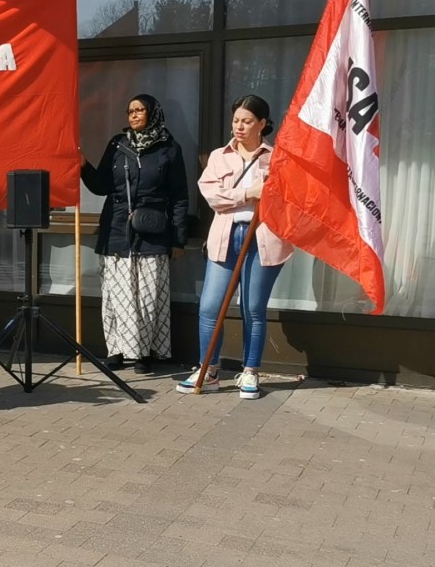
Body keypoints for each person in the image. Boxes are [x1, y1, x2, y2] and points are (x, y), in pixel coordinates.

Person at [176, 94, 293, 399]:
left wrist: (267, 193)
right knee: (210, 306)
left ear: (262, 124)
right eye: (236, 120)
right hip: (226, 237)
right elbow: (212, 196)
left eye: (247, 121)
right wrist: (249, 193)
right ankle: (209, 369)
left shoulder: (277, 158)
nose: (239, 126)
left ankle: (250, 371)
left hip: (262, 239)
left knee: (253, 308)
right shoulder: (219, 156)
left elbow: (287, 201)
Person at [81, 94, 189, 374]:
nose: (134, 115)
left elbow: (179, 196)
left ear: (153, 113)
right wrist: (83, 165)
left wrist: (178, 239)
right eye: (130, 111)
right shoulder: (118, 145)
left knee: (147, 296)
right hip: (116, 230)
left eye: (140, 110)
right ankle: (117, 350)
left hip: (152, 231)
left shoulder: (169, 148)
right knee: (117, 296)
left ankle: (144, 354)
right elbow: (101, 186)